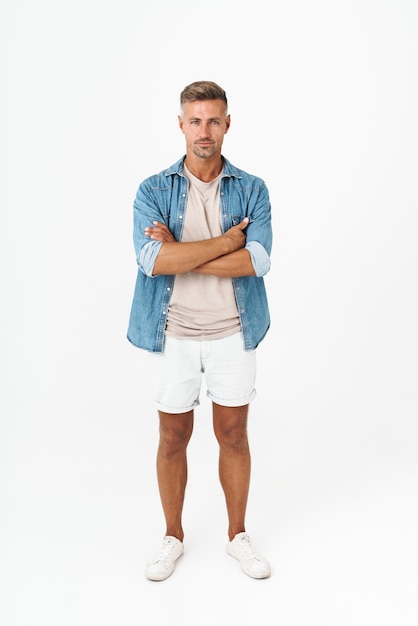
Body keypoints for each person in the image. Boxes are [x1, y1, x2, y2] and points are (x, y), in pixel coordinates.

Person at [127, 81, 273, 581]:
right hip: (174, 334)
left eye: (214, 121)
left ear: (227, 124)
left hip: (234, 331)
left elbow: (256, 262)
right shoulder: (153, 190)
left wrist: (184, 254)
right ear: (181, 124)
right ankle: (173, 536)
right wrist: (224, 243)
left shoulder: (252, 188)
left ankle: (238, 536)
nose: (204, 131)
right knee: (173, 435)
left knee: (233, 433)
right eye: (195, 121)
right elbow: (152, 261)